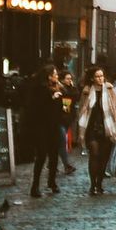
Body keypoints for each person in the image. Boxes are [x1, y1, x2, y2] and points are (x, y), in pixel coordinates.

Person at [75, 66, 116, 195]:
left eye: (102, 76)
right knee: (94, 154)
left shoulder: (109, 89)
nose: (100, 78)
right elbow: (81, 111)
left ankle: (99, 183)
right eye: (97, 76)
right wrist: (80, 130)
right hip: (91, 128)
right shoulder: (87, 91)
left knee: (104, 157)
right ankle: (92, 184)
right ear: (92, 78)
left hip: (107, 128)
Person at [24, 63, 64, 197]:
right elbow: (36, 108)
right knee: (41, 155)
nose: (57, 76)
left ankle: (52, 182)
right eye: (55, 75)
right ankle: (35, 186)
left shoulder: (57, 88)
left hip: (54, 127)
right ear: (49, 76)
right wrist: (52, 98)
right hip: (41, 127)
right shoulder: (40, 89)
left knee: (54, 155)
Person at [57, 72, 78, 174]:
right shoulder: (59, 89)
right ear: (62, 80)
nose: (69, 80)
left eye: (70, 78)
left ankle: (52, 164)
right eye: (67, 79)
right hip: (59, 119)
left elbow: (75, 96)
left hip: (67, 119)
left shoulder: (71, 89)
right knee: (62, 142)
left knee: (59, 143)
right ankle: (66, 166)